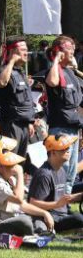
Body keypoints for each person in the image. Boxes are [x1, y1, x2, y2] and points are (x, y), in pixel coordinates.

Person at [0, 149, 54, 235]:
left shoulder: (7, 178)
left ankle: (41, 234)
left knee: (38, 218)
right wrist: (20, 174)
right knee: (24, 220)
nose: (15, 168)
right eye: (12, 165)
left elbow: (22, 205)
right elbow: (19, 199)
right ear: (1, 166)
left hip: (4, 223)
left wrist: (44, 213)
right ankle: (36, 236)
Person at [44, 35, 82, 193]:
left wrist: (76, 68)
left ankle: (64, 207)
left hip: (74, 129)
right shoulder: (54, 70)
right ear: (58, 51)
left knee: (71, 174)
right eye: (69, 49)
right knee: (61, 172)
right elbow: (52, 82)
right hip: (60, 130)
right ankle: (56, 207)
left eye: (74, 48)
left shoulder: (71, 73)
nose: (72, 51)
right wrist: (55, 61)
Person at [28, 134, 83, 232]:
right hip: (51, 217)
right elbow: (33, 203)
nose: (68, 151)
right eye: (63, 149)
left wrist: (77, 197)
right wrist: (57, 204)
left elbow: (60, 199)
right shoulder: (44, 174)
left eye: (68, 148)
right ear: (53, 152)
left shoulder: (61, 170)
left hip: (62, 213)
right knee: (79, 219)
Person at [0, 36, 35, 158]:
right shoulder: (4, 70)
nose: (26, 52)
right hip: (11, 124)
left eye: (26, 49)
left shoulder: (21, 72)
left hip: (24, 124)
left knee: (20, 162)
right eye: (22, 49)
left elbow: (25, 101)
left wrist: (29, 121)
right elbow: (0, 83)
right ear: (12, 51)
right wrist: (11, 61)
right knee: (9, 160)